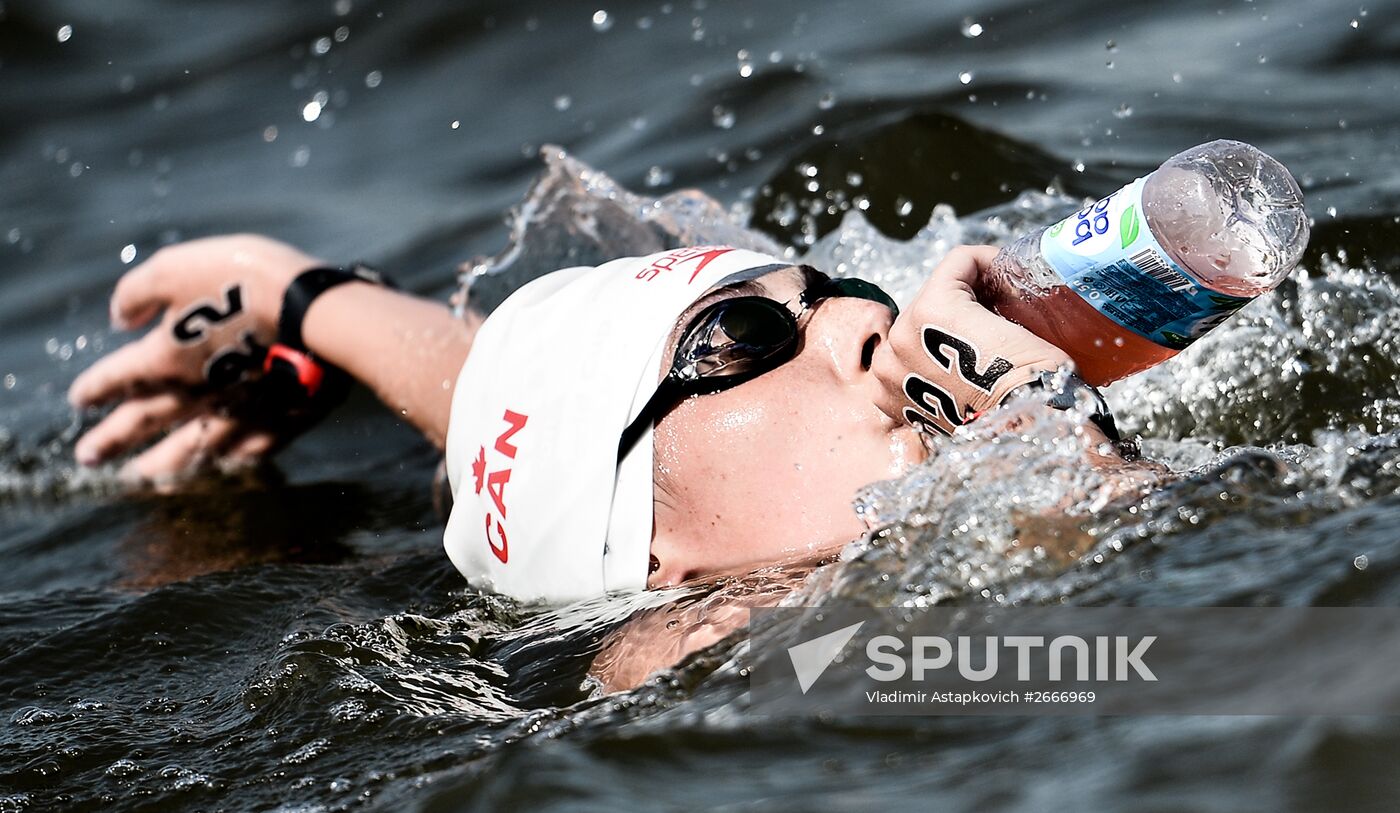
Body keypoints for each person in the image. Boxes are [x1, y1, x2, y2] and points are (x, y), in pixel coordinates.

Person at [68, 233, 1148, 686]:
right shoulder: (678, 650)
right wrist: (1050, 437)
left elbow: (528, 437)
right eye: (740, 338)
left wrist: (302, 297)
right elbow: (1199, 648)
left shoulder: (642, 521)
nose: (858, 321)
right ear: (647, 554)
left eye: (817, 286)